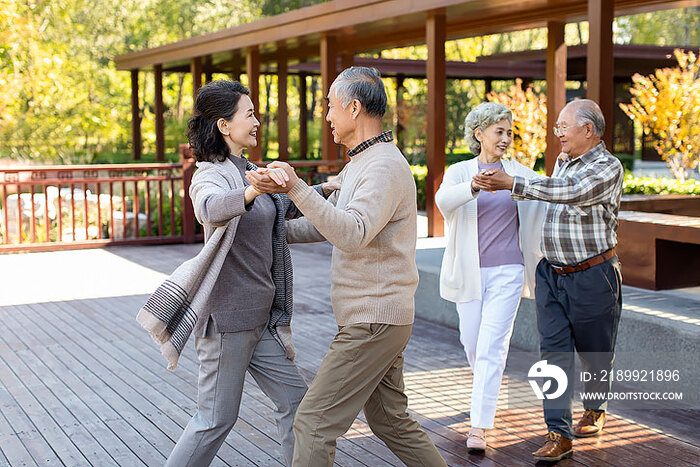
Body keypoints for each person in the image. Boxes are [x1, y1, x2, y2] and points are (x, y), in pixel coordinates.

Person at [246, 66, 447, 467]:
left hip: (373, 319)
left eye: (330, 107)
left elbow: (352, 232)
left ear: (354, 108)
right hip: (376, 318)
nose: (327, 116)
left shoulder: (384, 167)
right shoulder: (362, 164)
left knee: (313, 423)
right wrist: (263, 227)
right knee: (390, 420)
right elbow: (325, 225)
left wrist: (296, 188)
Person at [164, 79, 330, 467]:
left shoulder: (251, 169)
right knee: (214, 420)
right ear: (224, 125)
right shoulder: (211, 173)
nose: (258, 121)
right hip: (227, 322)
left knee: (296, 406)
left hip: (261, 321)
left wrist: (329, 189)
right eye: (249, 114)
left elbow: (285, 212)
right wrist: (252, 192)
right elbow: (209, 208)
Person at [473, 99, 624, 462]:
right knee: (553, 355)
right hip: (552, 275)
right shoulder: (563, 161)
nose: (557, 134)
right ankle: (559, 433)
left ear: (588, 130)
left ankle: (595, 406)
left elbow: (570, 192)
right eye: (556, 127)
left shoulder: (608, 167)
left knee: (594, 354)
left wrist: (514, 183)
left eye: (562, 127)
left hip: (594, 275)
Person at [435, 102, 545, 451]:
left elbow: (548, 190)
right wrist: (473, 187)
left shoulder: (517, 172)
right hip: (469, 273)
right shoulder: (460, 171)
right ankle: (486, 391)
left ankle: (479, 426)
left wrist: (513, 184)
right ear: (479, 133)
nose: (506, 138)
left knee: (492, 348)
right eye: (500, 131)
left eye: (509, 132)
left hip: (509, 271)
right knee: (473, 343)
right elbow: (443, 202)